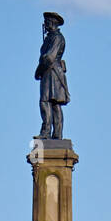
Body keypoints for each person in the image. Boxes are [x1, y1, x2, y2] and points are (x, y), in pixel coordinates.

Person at [35, 11, 69, 140]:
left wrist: (39, 69)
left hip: (51, 72)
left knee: (46, 101)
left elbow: (49, 57)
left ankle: (47, 132)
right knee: (53, 104)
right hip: (51, 72)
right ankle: (55, 134)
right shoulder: (51, 37)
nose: (45, 24)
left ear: (52, 23)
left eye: (47, 21)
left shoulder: (57, 38)